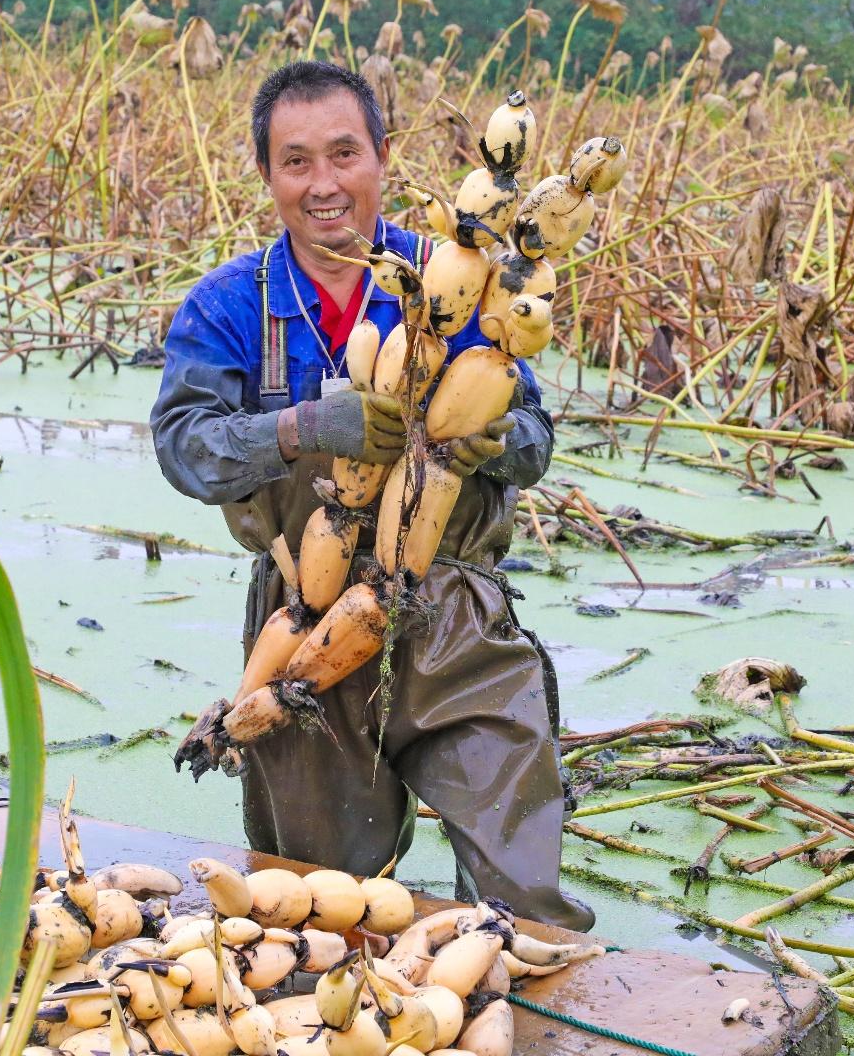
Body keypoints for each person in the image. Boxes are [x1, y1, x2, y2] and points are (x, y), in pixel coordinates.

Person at [150, 60, 593, 931]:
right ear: (268, 174)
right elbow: (184, 450)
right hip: (303, 632)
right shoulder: (231, 305)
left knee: (524, 900)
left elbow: (537, 444)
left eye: (345, 154)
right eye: (296, 161)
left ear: (383, 155)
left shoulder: (464, 278)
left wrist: (496, 443)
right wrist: (304, 426)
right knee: (315, 912)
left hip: (453, 616)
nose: (324, 185)